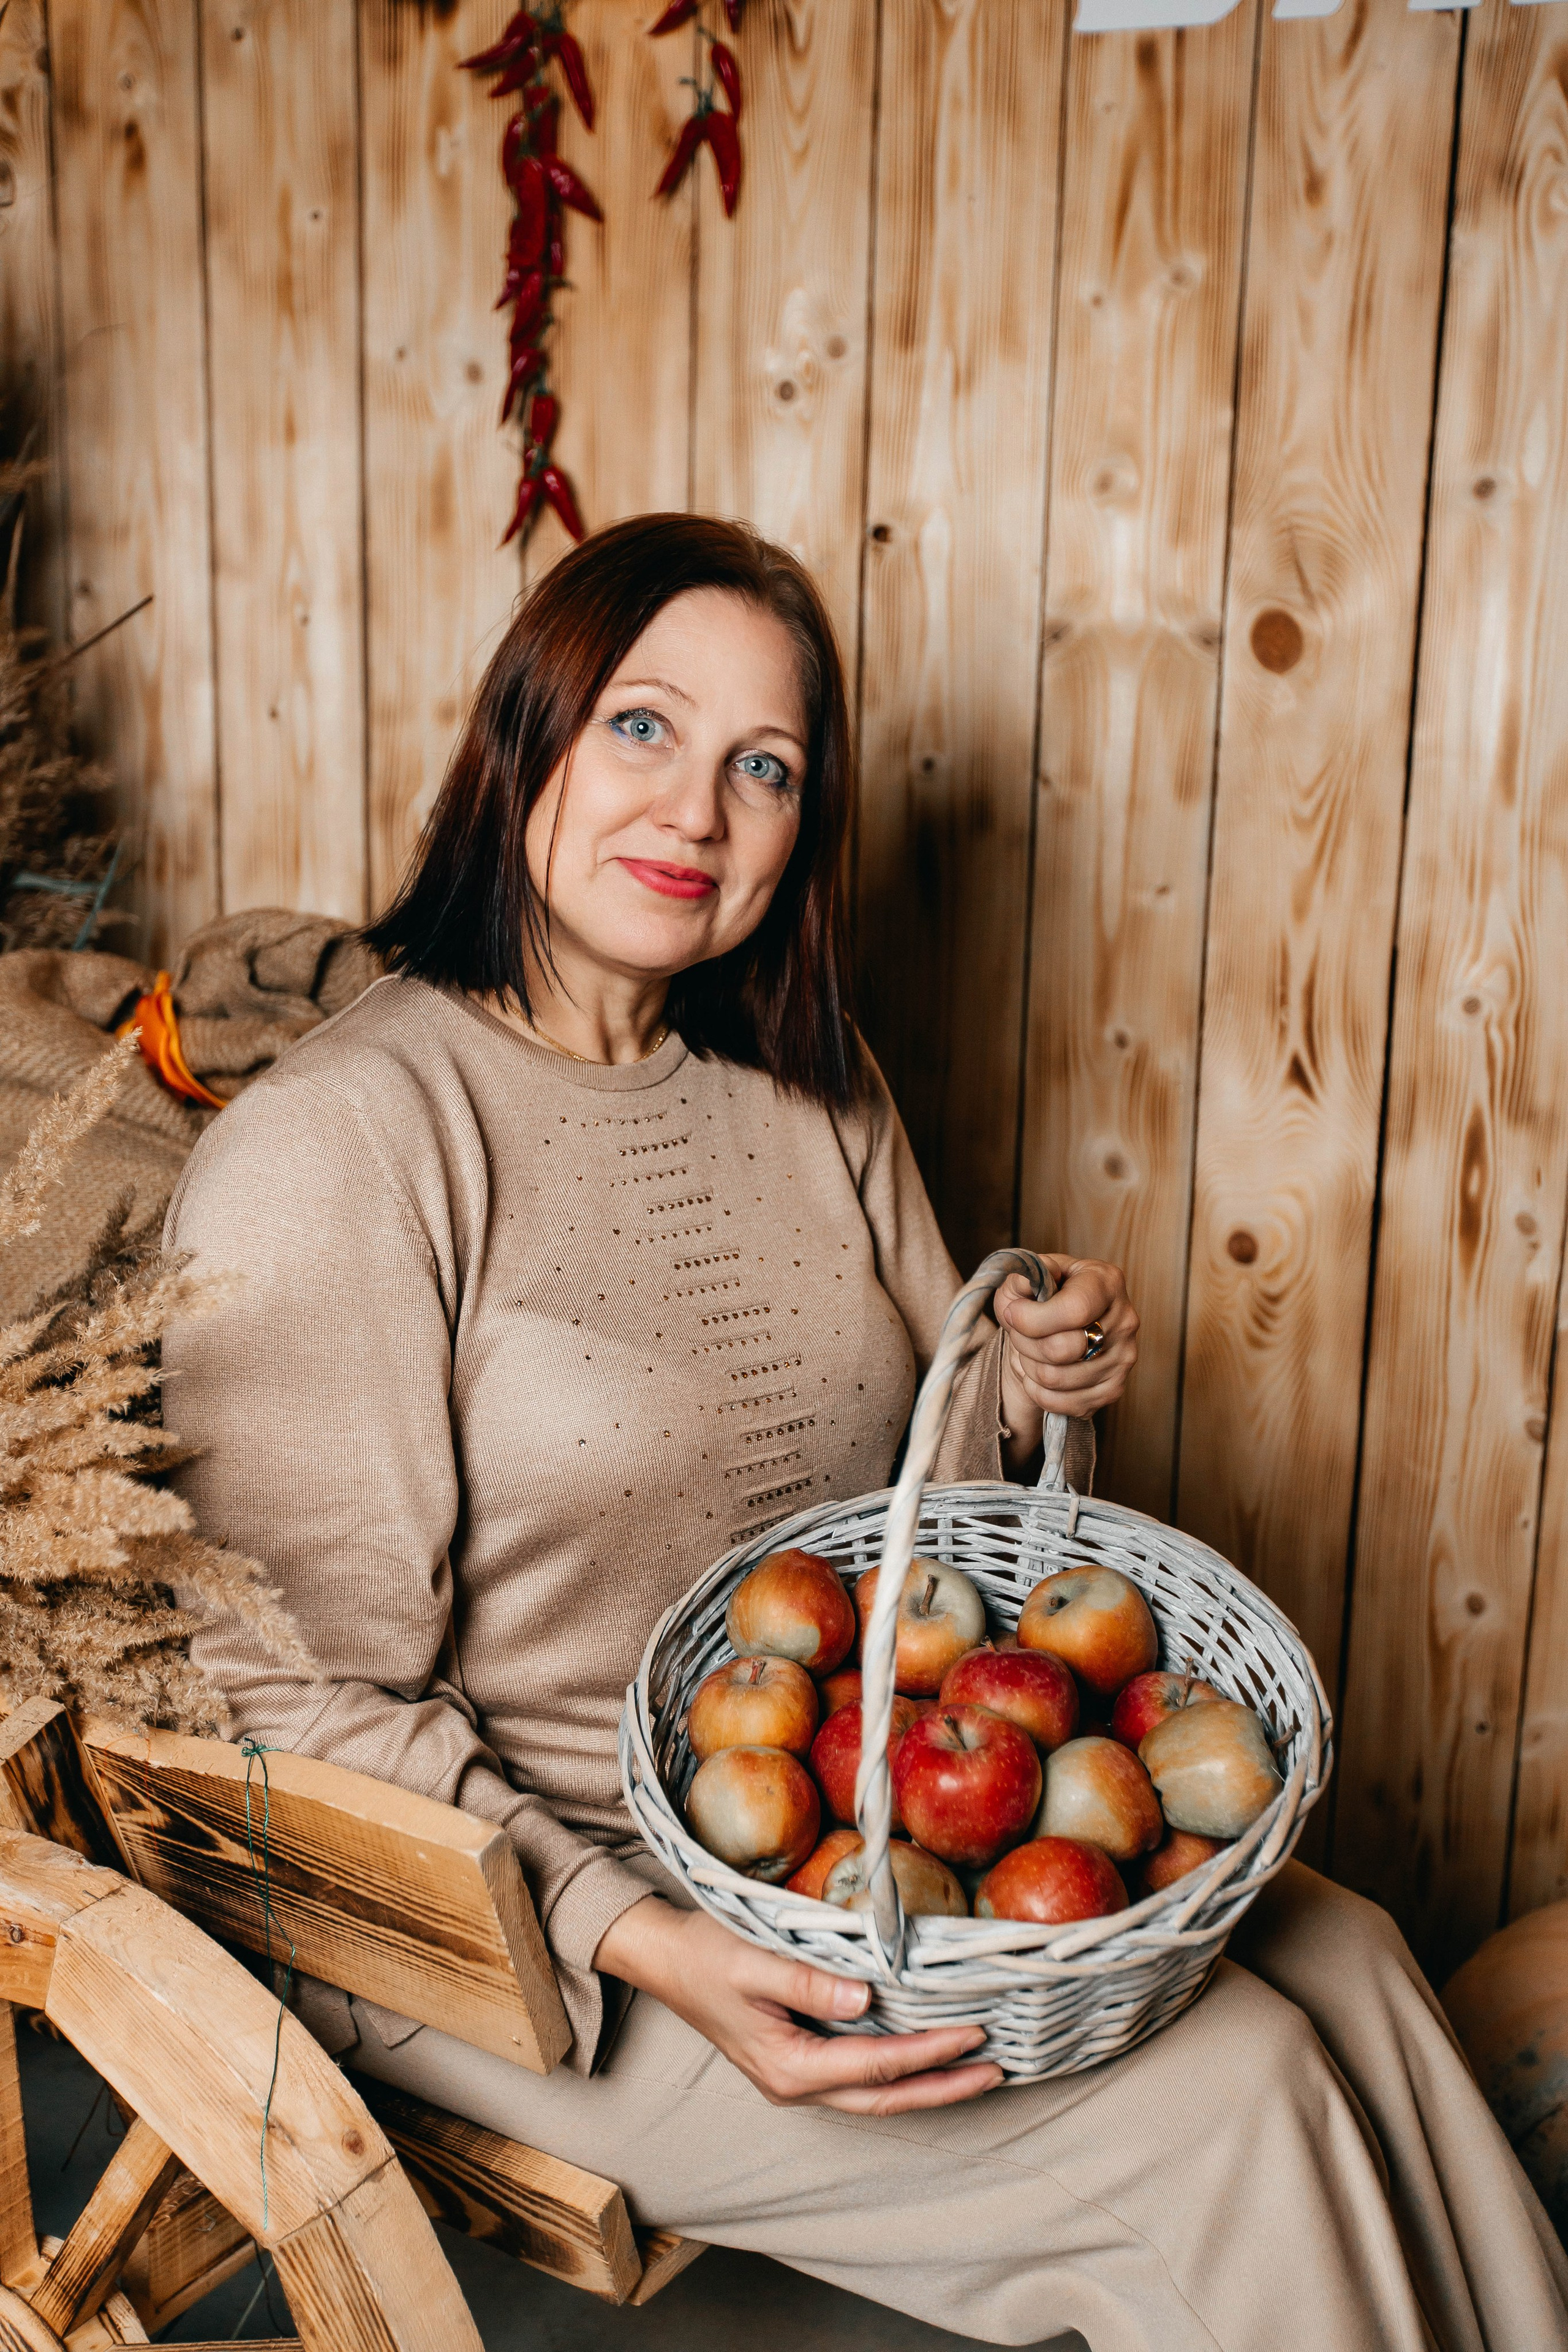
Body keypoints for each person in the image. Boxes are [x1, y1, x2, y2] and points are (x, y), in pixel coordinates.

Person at [165, 516, 1568, 2351]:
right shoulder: (344, 1144)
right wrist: (651, 1942)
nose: (699, 811)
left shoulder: (813, 1094)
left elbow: (923, 1511)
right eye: (644, 729)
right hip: (534, 1931)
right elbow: (284, 1707)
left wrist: (1024, 1376)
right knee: (1233, 2106)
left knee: (1362, 1966)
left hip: (847, 1832)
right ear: (532, 734)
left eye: (767, 769)